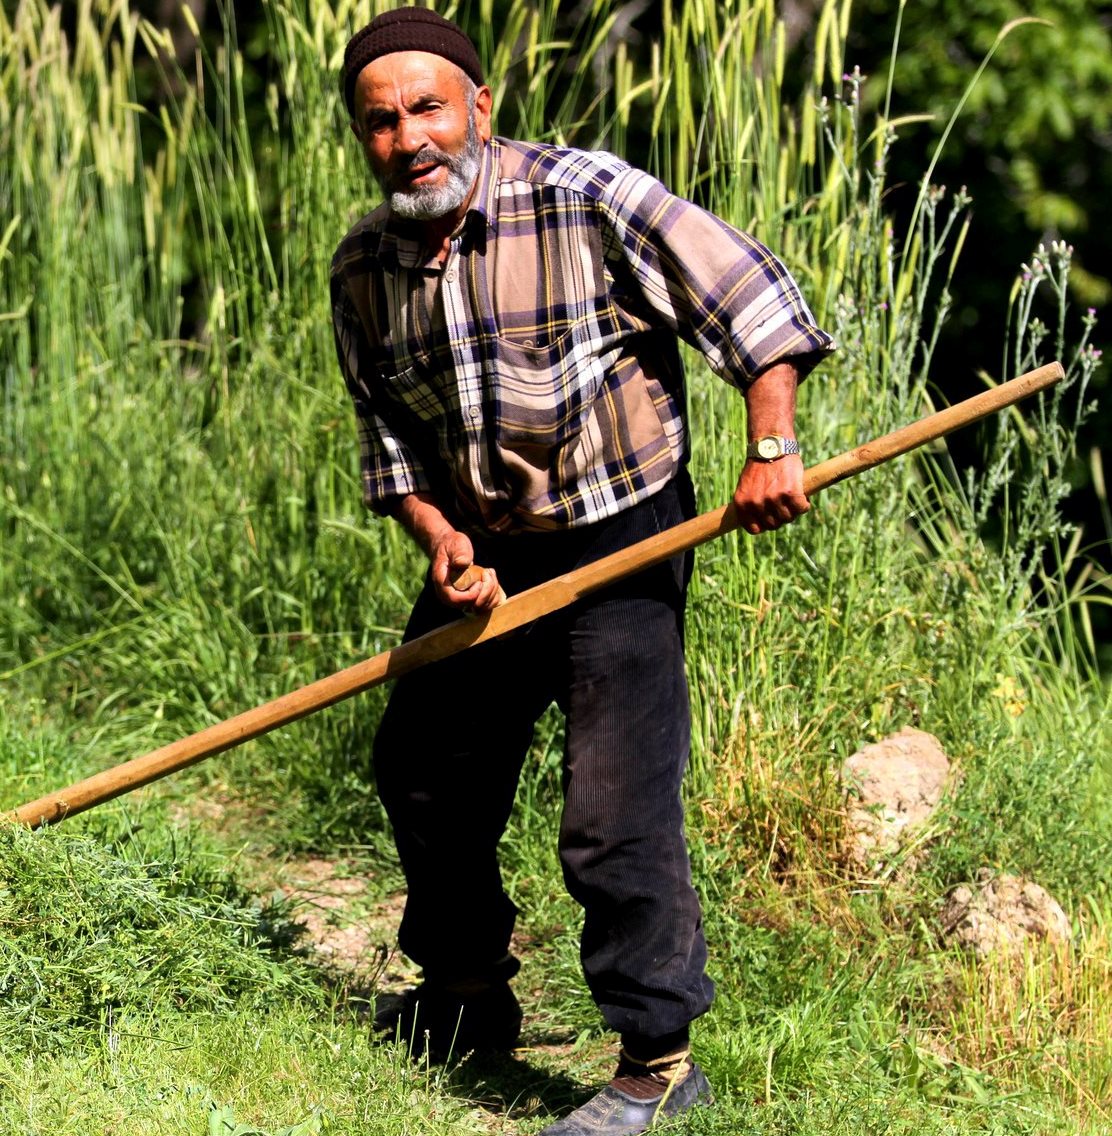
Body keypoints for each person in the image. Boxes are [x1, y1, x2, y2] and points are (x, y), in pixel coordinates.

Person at [330, 9, 834, 1134]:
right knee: (424, 768)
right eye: (380, 121)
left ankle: (655, 1057)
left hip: (619, 535)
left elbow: (750, 300)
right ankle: (464, 997)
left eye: (427, 108)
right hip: (489, 559)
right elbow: (389, 441)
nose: (409, 136)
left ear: (477, 108)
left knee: (612, 812)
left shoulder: (584, 193)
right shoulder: (366, 264)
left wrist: (769, 446)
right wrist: (437, 536)